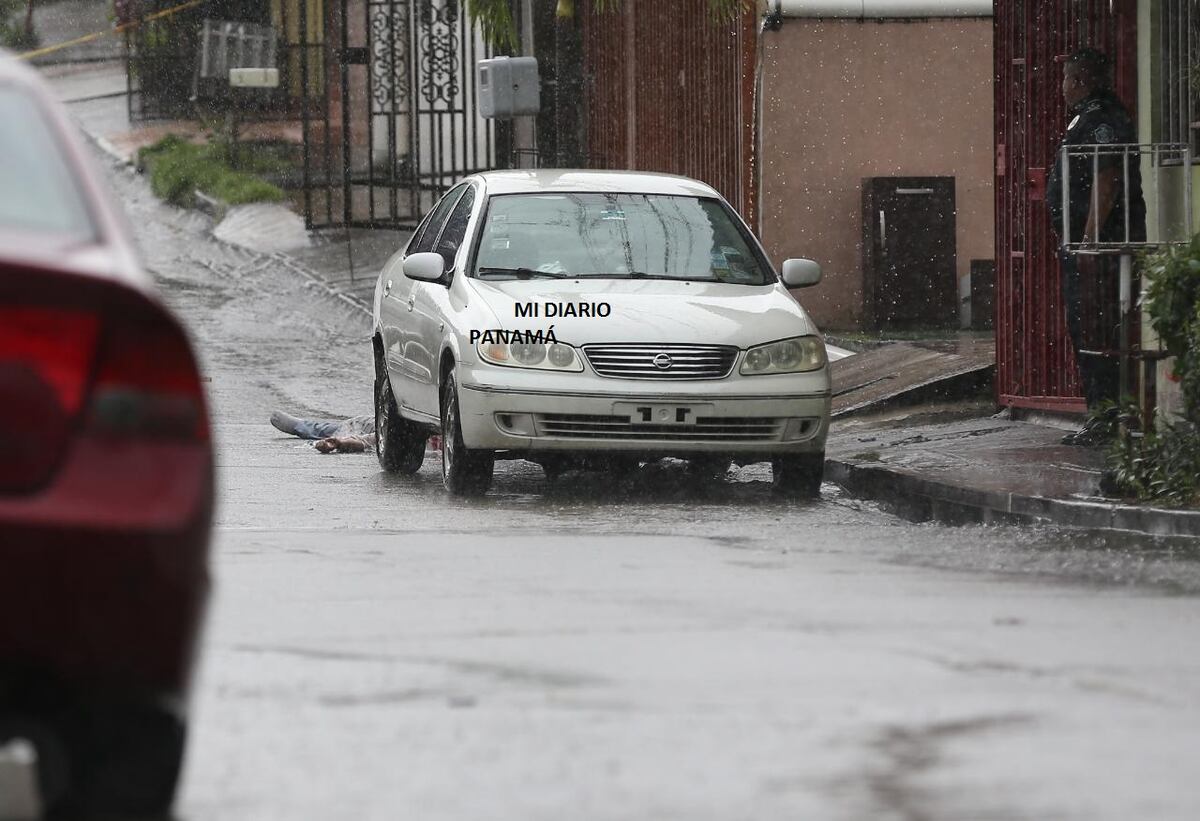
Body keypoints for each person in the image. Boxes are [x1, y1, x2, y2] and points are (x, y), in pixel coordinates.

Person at [1046, 47, 1146, 446]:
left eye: (1067, 78)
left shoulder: (1102, 120)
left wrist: (1088, 239)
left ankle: (1109, 417)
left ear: (1081, 80)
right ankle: (1102, 414)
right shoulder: (1087, 118)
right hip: (1090, 247)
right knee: (1088, 329)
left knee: (1099, 330)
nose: (1063, 86)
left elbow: (1107, 179)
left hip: (1102, 249)